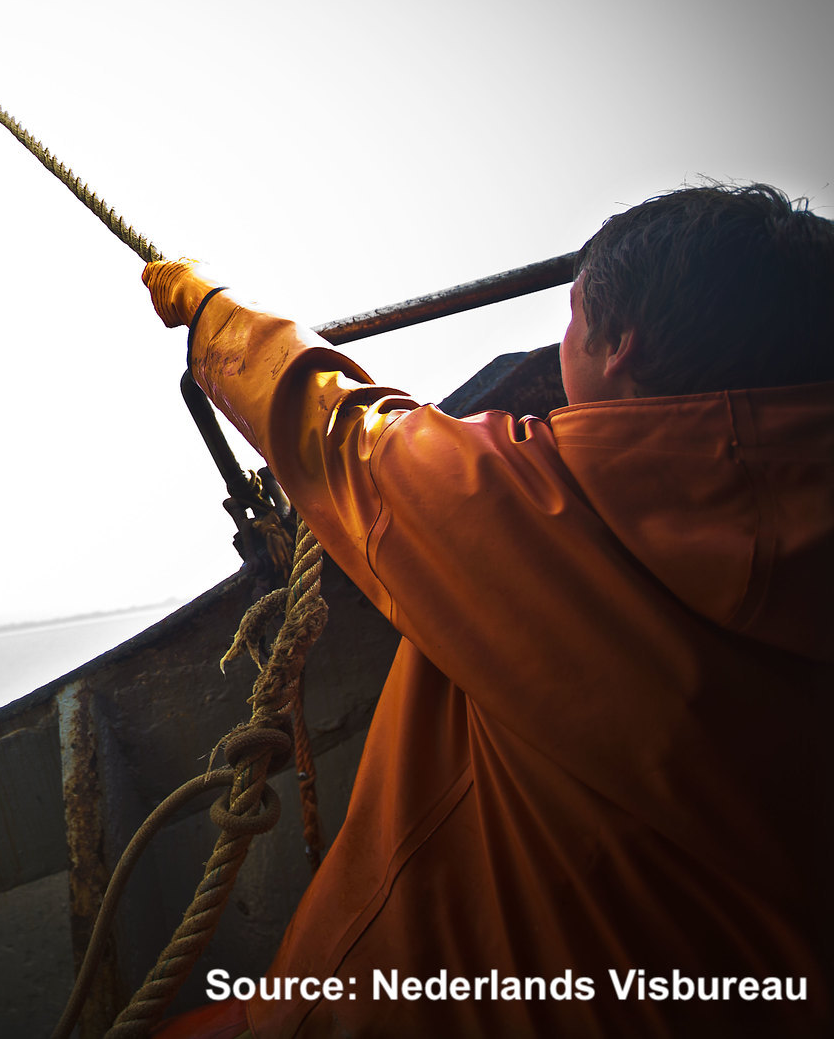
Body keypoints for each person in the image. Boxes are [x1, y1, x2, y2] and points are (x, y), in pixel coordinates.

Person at [139, 182, 831, 1038]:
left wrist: (208, 308)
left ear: (621, 349)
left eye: (575, 316)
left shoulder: (533, 509)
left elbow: (333, 427)